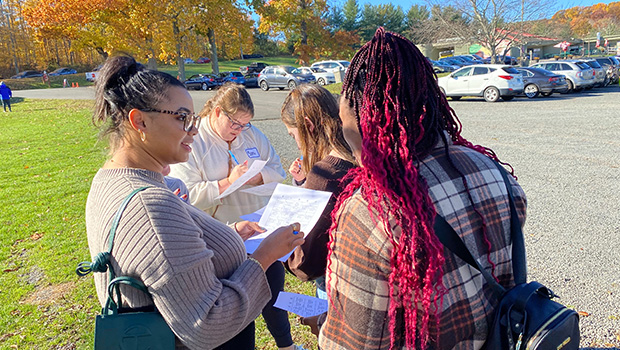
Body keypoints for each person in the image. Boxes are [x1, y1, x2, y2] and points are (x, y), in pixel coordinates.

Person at [315, 28, 527, 349]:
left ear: (364, 123)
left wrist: (324, 326)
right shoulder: (493, 170)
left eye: (346, 124)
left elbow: (353, 344)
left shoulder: (369, 212)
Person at [86, 55, 304, 350]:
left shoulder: (110, 179)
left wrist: (228, 235)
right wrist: (264, 256)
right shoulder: (151, 207)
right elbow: (207, 325)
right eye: (181, 117)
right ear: (139, 121)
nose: (193, 129)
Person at [169, 83, 304, 350]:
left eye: (245, 125)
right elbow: (186, 196)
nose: (239, 130)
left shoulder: (251, 135)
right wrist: (226, 183)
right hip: (219, 238)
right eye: (235, 123)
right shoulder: (194, 142)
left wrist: (255, 178)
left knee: (272, 289)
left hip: (258, 229)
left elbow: (276, 168)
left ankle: (286, 345)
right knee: (236, 303)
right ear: (217, 112)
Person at [280, 84, 356, 299]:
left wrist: (279, 250)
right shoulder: (359, 155)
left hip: (335, 287)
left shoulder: (324, 175)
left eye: (293, 135)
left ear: (308, 126)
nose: (296, 144)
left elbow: (306, 265)